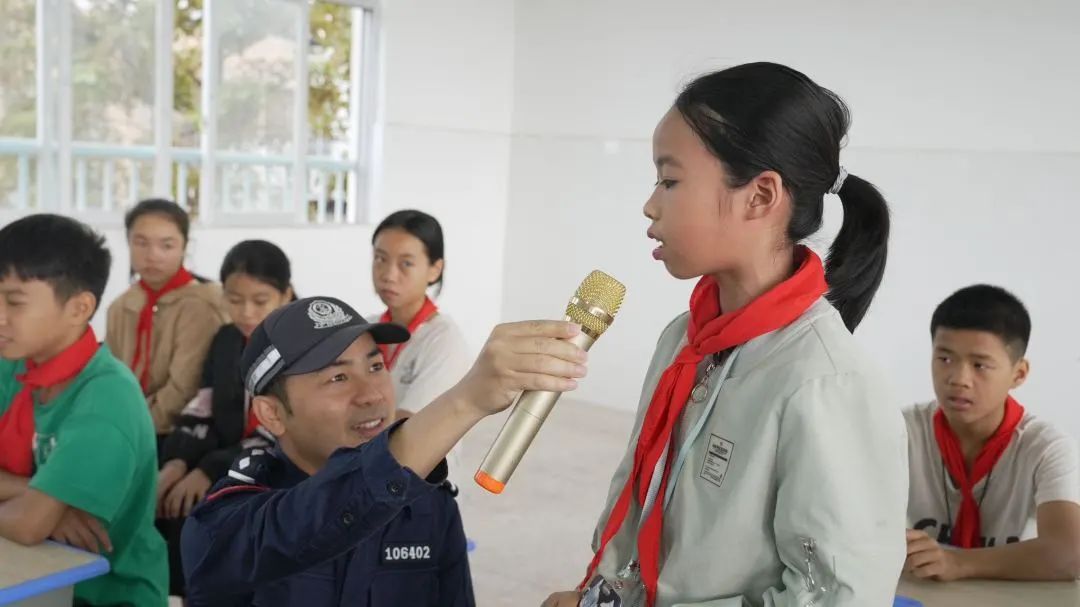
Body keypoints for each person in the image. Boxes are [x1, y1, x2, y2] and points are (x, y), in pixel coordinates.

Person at [544, 62, 907, 607]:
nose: (650, 204)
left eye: (670, 180)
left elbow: (836, 596)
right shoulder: (683, 339)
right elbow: (641, 502)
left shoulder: (826, 382)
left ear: (760, 196)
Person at [181, 296, 589, 605]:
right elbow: (308, 518)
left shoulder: (430, 507)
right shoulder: (222, 526)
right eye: (338, 377)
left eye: (376, 367)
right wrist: (464, 401)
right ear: (271, 413)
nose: (373, 394)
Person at [0, 214, 167, 606]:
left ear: (79, 308)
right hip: (27, 573)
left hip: (104, 593)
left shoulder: (106, 398)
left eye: (14, 302)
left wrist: (35, 509)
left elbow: (27, 526)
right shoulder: (13, 364)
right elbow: (30, 520)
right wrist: (32, 493)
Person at [904, 285, 1080, 582]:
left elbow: (1069, 554)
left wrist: (958, 563)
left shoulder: (1046, 447)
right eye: (945, 359)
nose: (959, 379)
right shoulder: (902, 430)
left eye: (980, 365)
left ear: (1019, 374)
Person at [156, 240, 294, 596]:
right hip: (230, 454)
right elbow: (203, 405)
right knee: (162, 490)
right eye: (234, 300)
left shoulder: (301, 345)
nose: (246, 312)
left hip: (284, 466)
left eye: (260, 301)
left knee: (200, 508)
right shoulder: (228, 339)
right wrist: (177, 461)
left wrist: (208, 470)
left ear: (285, 295)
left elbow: (282, 431)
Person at [107, 198, 228, 438]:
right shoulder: (121, 307)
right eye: (141, 243)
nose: (152, 255)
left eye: (167, 245)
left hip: (176, 431)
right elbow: (110, 378)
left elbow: (184, 388)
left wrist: (133, 428)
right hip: (123, 424)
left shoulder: (200, 304)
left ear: (184, 247)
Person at [371, 209, 470, 483]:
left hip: (420, 483)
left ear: (435, 269)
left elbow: (408, 428)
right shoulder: (366, 329)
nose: (389, 275)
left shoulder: (443, 340)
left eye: (406, 263)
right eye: (380, 259)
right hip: (371, 470)